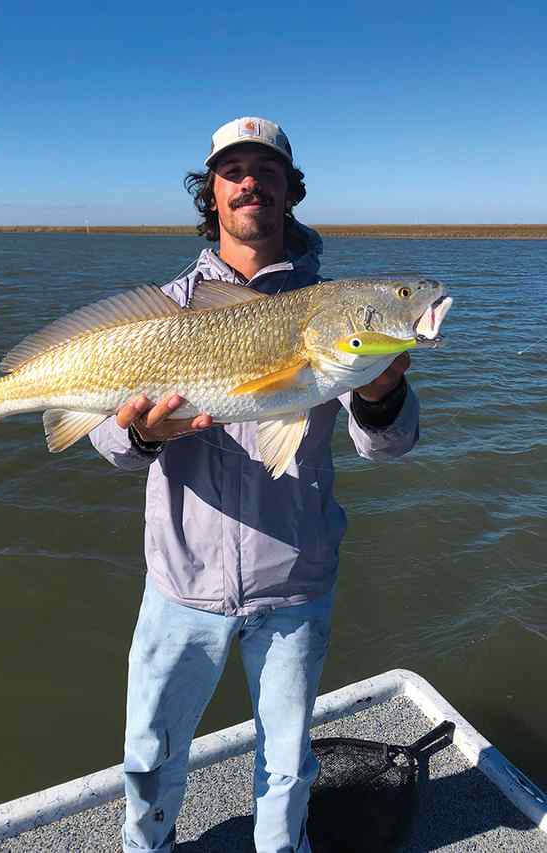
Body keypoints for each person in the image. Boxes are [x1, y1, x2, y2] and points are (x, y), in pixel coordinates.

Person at [89, 116, 419, 853]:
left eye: (266, 171)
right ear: (210, 192)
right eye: (232, 171)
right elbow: (106, 443)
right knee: (149, 755)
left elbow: (387, 446)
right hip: (181, 582)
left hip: (295, 581)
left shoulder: (338, 311)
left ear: (290, 191)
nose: (249, 183)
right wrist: (142, 435)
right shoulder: (164, 311)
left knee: (288, 762)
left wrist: (381, 393)